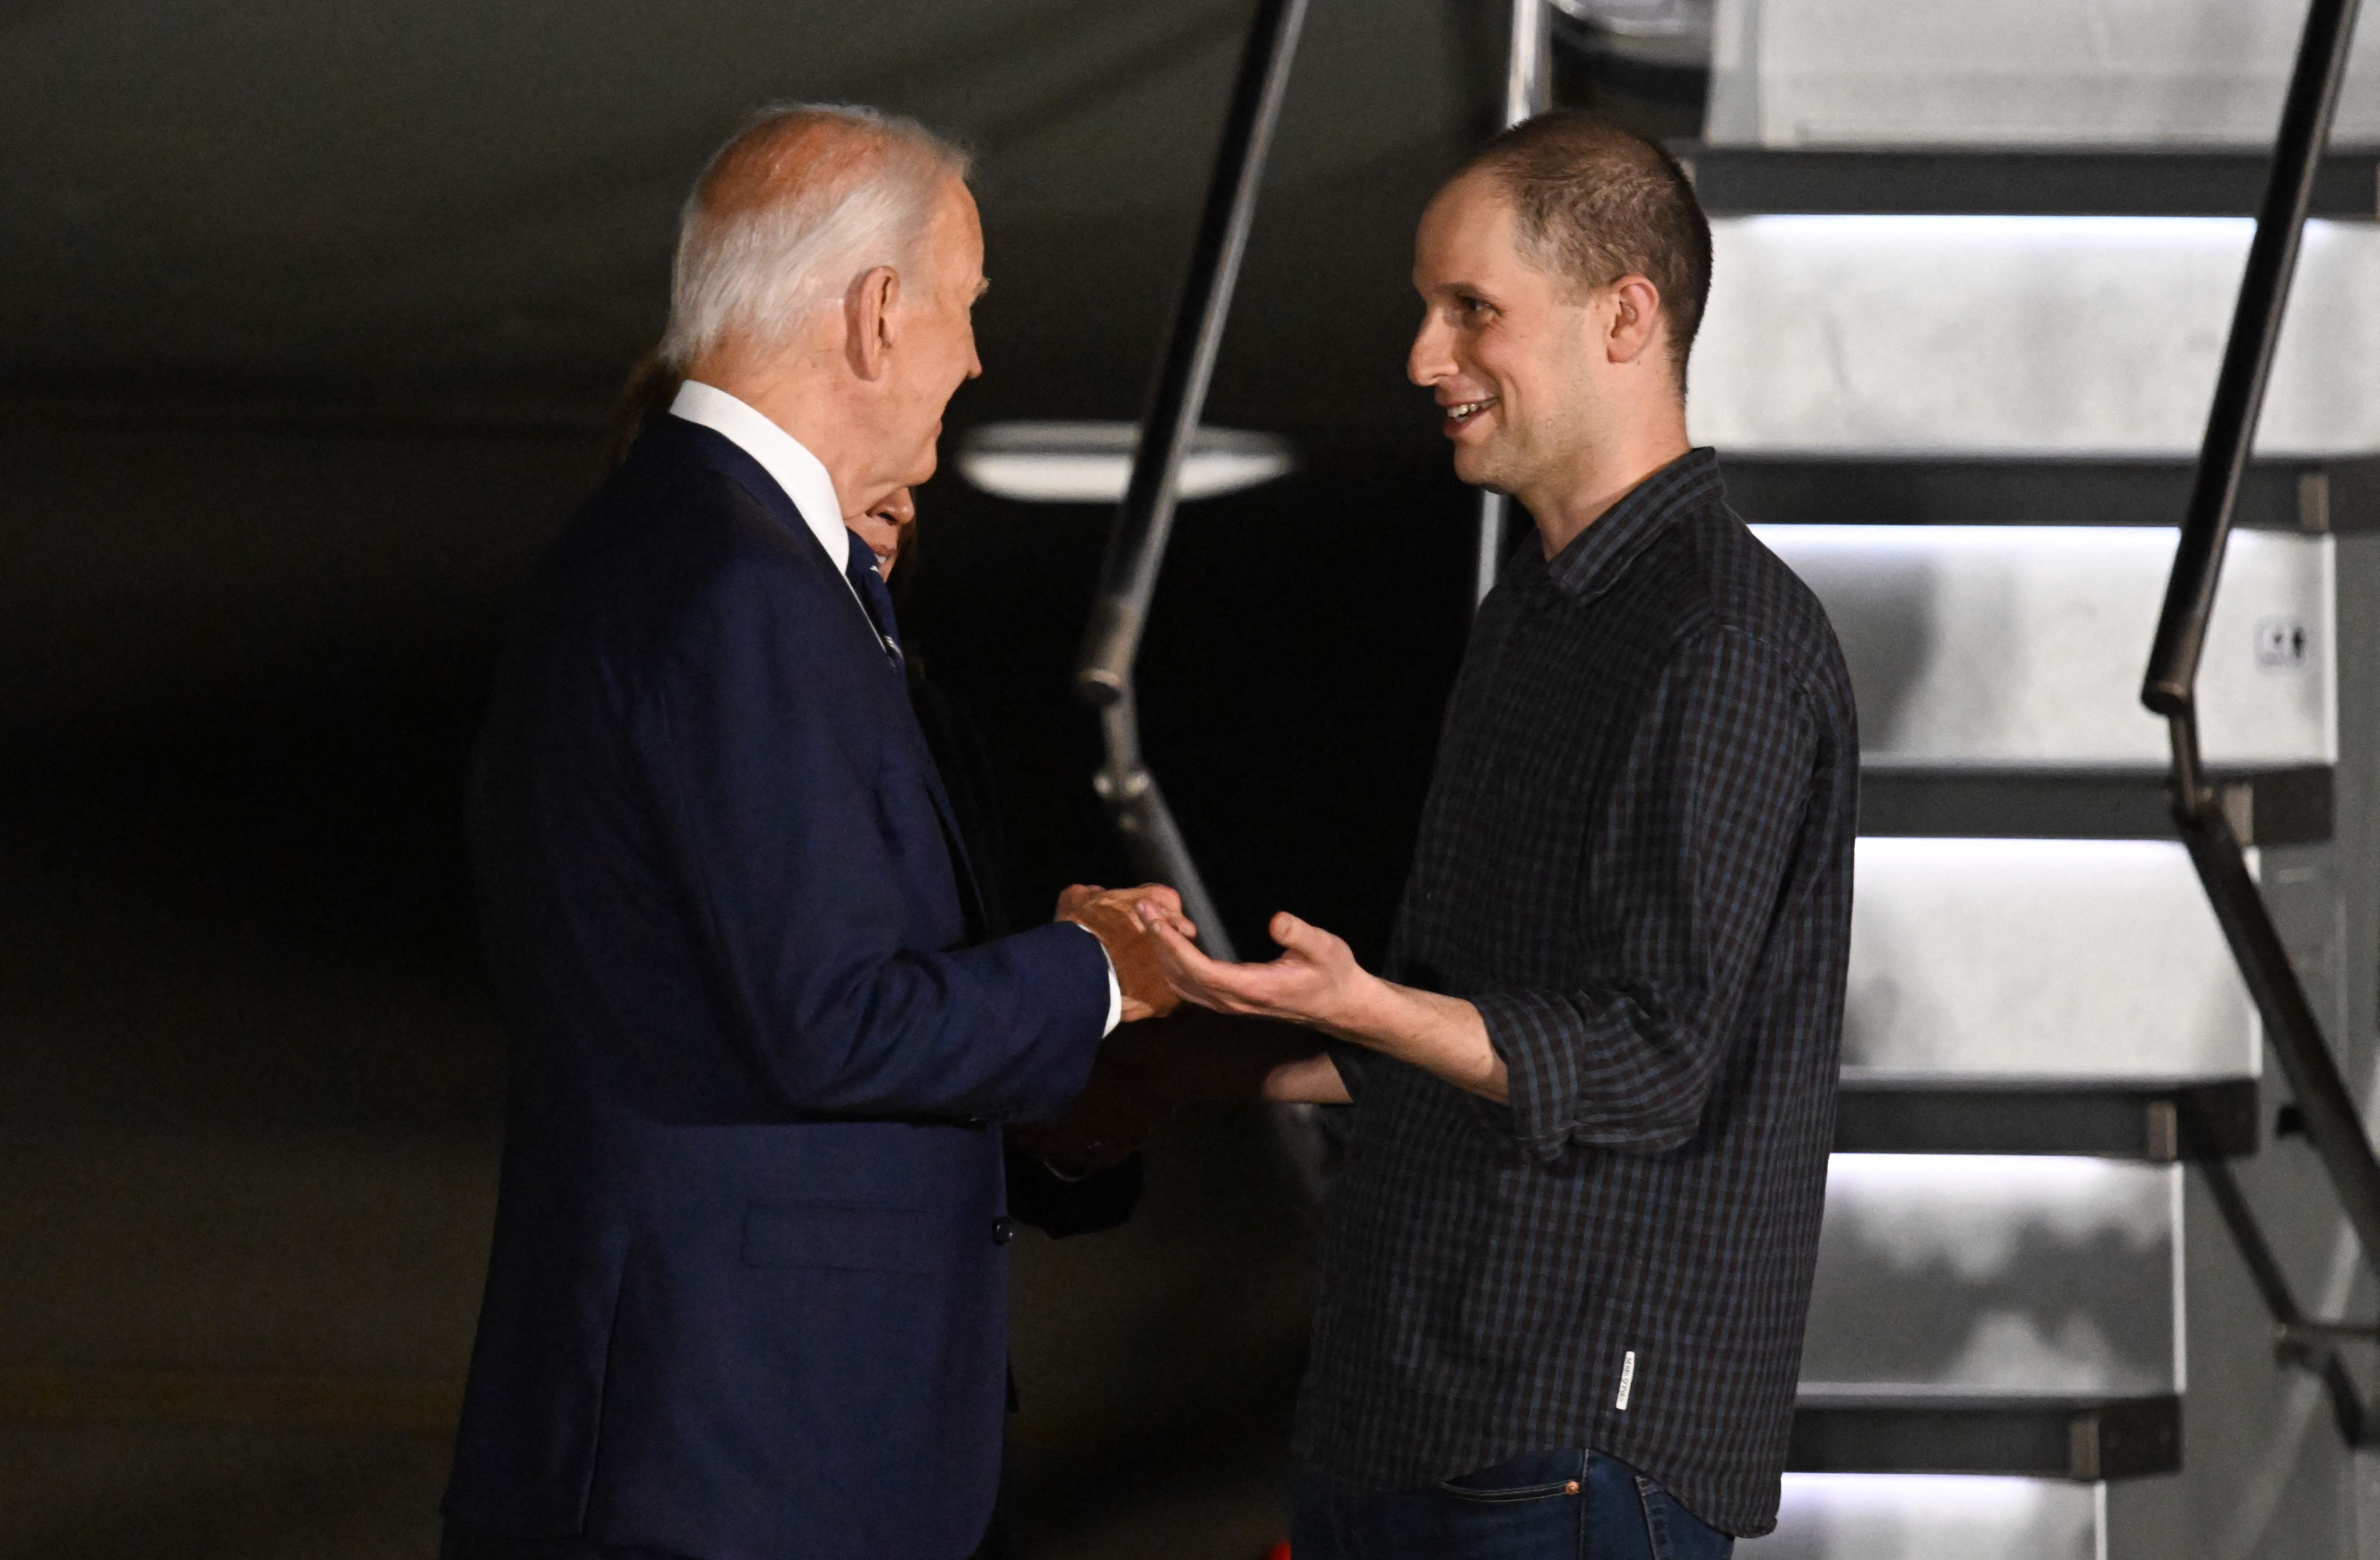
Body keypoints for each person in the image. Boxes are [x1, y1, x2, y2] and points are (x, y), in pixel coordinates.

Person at [442, 104, 1183, 1560]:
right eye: (966, 310)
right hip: (737, 1459)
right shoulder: (734, 588)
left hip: (718, 1437)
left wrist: (1055, 1108)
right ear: (880, 312)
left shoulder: (698, 557)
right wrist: (1091, 970)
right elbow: (829, 1017)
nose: (973, 357)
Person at [1141, 115, 1858, 1556]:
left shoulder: (1718, 636)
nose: (1423, 356)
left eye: (1472, 310)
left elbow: (1651, 1060)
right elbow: (1494, 1026)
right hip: (1422, 1415)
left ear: (1625, 317)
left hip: (1566, 1447)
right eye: (1430, 307)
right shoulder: (1543, 607)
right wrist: (1245, 1036)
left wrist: (1362, 1010)